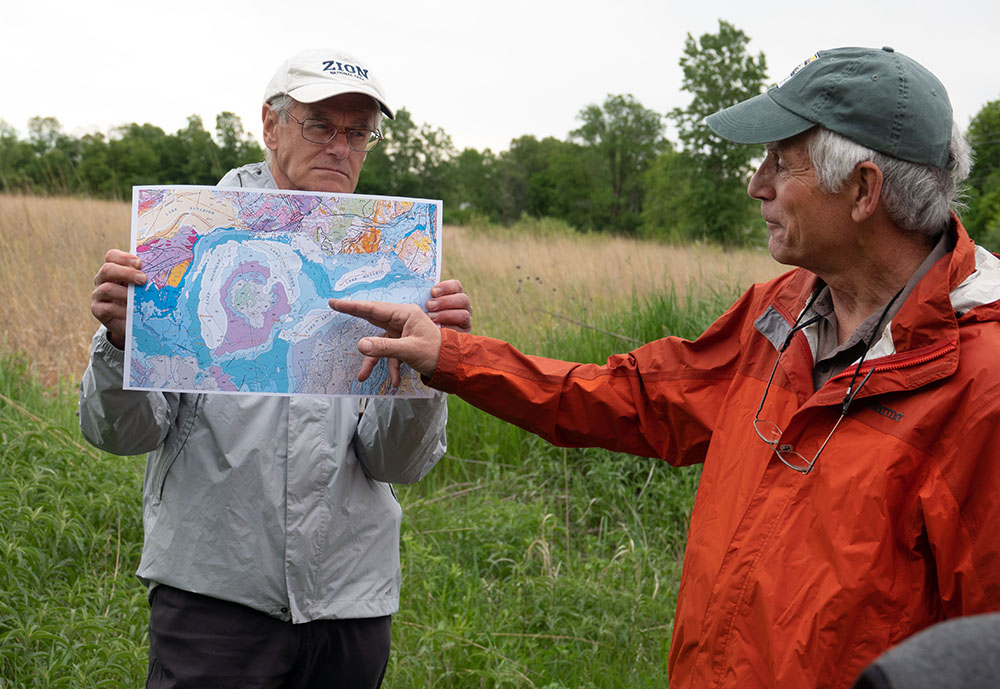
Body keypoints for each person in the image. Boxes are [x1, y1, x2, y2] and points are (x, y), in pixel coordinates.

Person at [331, 46, 1000, 689]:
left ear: (862, 190)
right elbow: (635, 398)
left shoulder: (982, 388)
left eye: (781, 163)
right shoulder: (781, 312)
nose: (755, 184)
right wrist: (451, 353)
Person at [80, 49, 471, 689]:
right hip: (213, 600)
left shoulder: (389, 258)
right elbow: (121, 435)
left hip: (350, 604)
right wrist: (121, 345)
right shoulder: (185, 242)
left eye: (358, 132)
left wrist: (433, 372)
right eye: (321, 126)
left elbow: (397, 465)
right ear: (270, 126)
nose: (341, 147)